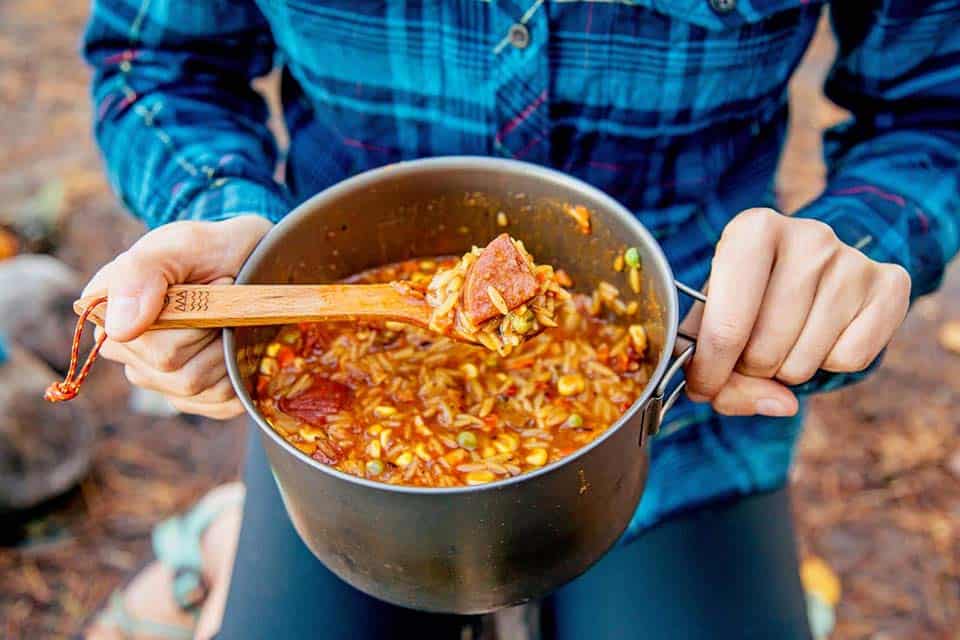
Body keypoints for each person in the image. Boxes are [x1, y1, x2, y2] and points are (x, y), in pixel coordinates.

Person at [80, 1, 959, 638]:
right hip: (326, 420)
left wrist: (856, 246)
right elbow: (154, 60)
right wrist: (224, 215)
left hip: (686, 392)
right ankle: (234, 530)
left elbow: (934, 103)